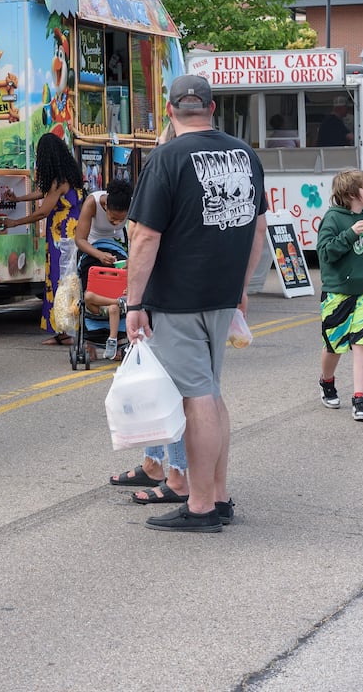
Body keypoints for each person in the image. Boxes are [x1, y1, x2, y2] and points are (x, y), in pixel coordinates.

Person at [125, 74, 268, 534]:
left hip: (178, 298)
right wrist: (242, 287)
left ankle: (202, 505)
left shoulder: (166, 157)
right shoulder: (245, 155)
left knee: (196, 398)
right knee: (211, 393)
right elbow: (258, 230)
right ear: (211, 108)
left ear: (169, 111)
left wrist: (133, 303)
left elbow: (145, 236)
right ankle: (220, 495)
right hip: (222, 294)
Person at [315, 170, 363, 422]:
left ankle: (360, 399)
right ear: (351, 194)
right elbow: (326, 254)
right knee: (334, 345)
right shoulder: (333, 219)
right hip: (338, 292)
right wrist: (350, 234)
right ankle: (327, 381)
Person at [2, 133, 85, 345]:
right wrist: (19, 198)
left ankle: (65, 331)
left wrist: (15, 222)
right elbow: (43, 193)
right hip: (70, 233)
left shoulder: (59, 181)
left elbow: (43, 211)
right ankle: (63, 331)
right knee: (65, 280)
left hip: (62, 237)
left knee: (59, 281)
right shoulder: (69, 175)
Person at [74, 179, 131, 267]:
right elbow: (80, 239)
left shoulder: (133, 204)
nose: (116, 223)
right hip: (92, 244)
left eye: (121, 220)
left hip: (117, 245)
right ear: (105, 205)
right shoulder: (92, 202)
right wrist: (100, 254)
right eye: (113, 218)